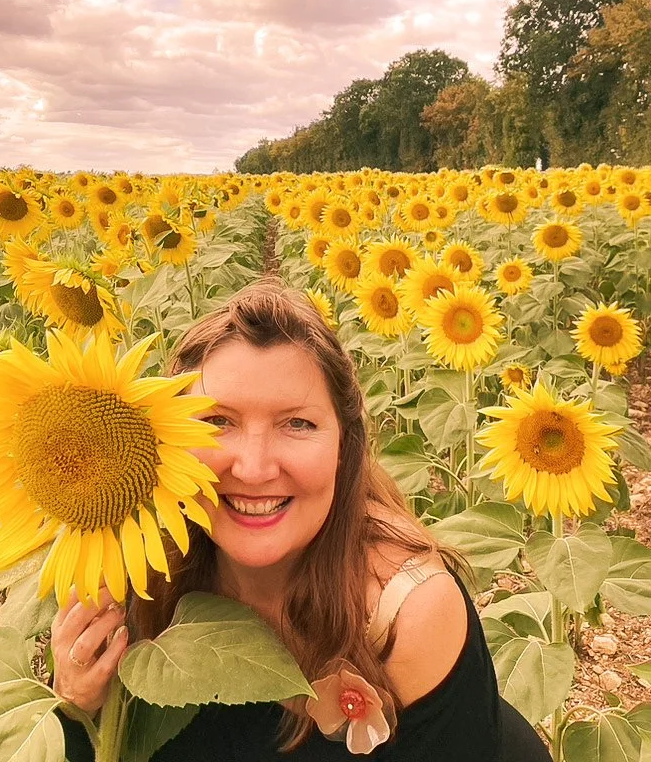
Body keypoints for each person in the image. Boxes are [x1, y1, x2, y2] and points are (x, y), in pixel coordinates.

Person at [52, 280, 551, 760]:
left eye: (297, 423)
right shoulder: (136, 568)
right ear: (168, 441)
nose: (253, 468)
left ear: (344, 446)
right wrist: (77, 708)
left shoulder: (408, 613)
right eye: (218, 422)